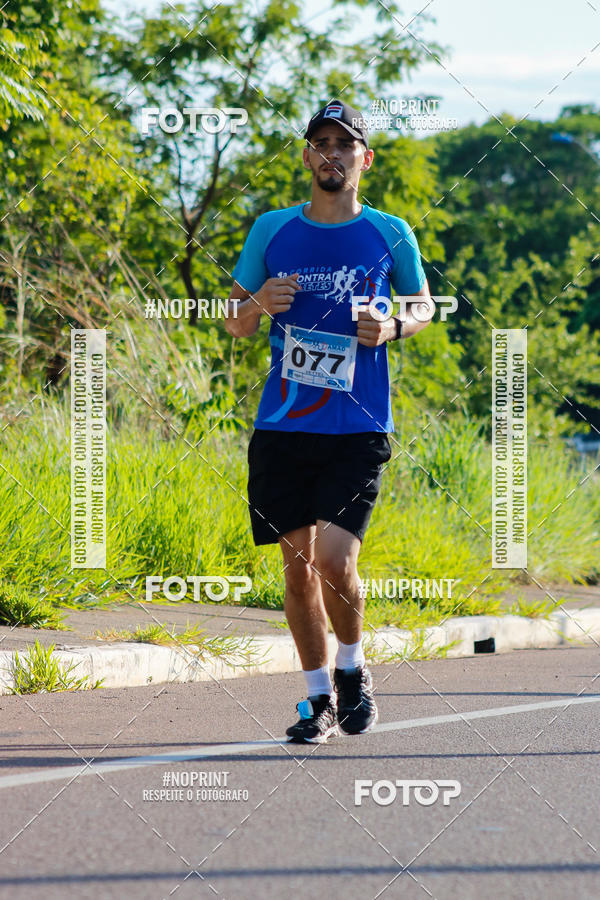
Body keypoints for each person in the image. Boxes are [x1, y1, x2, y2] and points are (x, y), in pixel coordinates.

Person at [225, 99, 434, 743]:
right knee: (296, 566)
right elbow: (234, 320)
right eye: (320, 143)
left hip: (358, 427)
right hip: (284, 427)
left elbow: (425, 302)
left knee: (337, 561)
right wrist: (258, 302)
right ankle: (315, 702)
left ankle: (352, 668)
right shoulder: (272, 230)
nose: (332, 154)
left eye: (345, 145)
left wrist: (395, 325)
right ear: (307, 156)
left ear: (364, 160)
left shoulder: (391, 232)